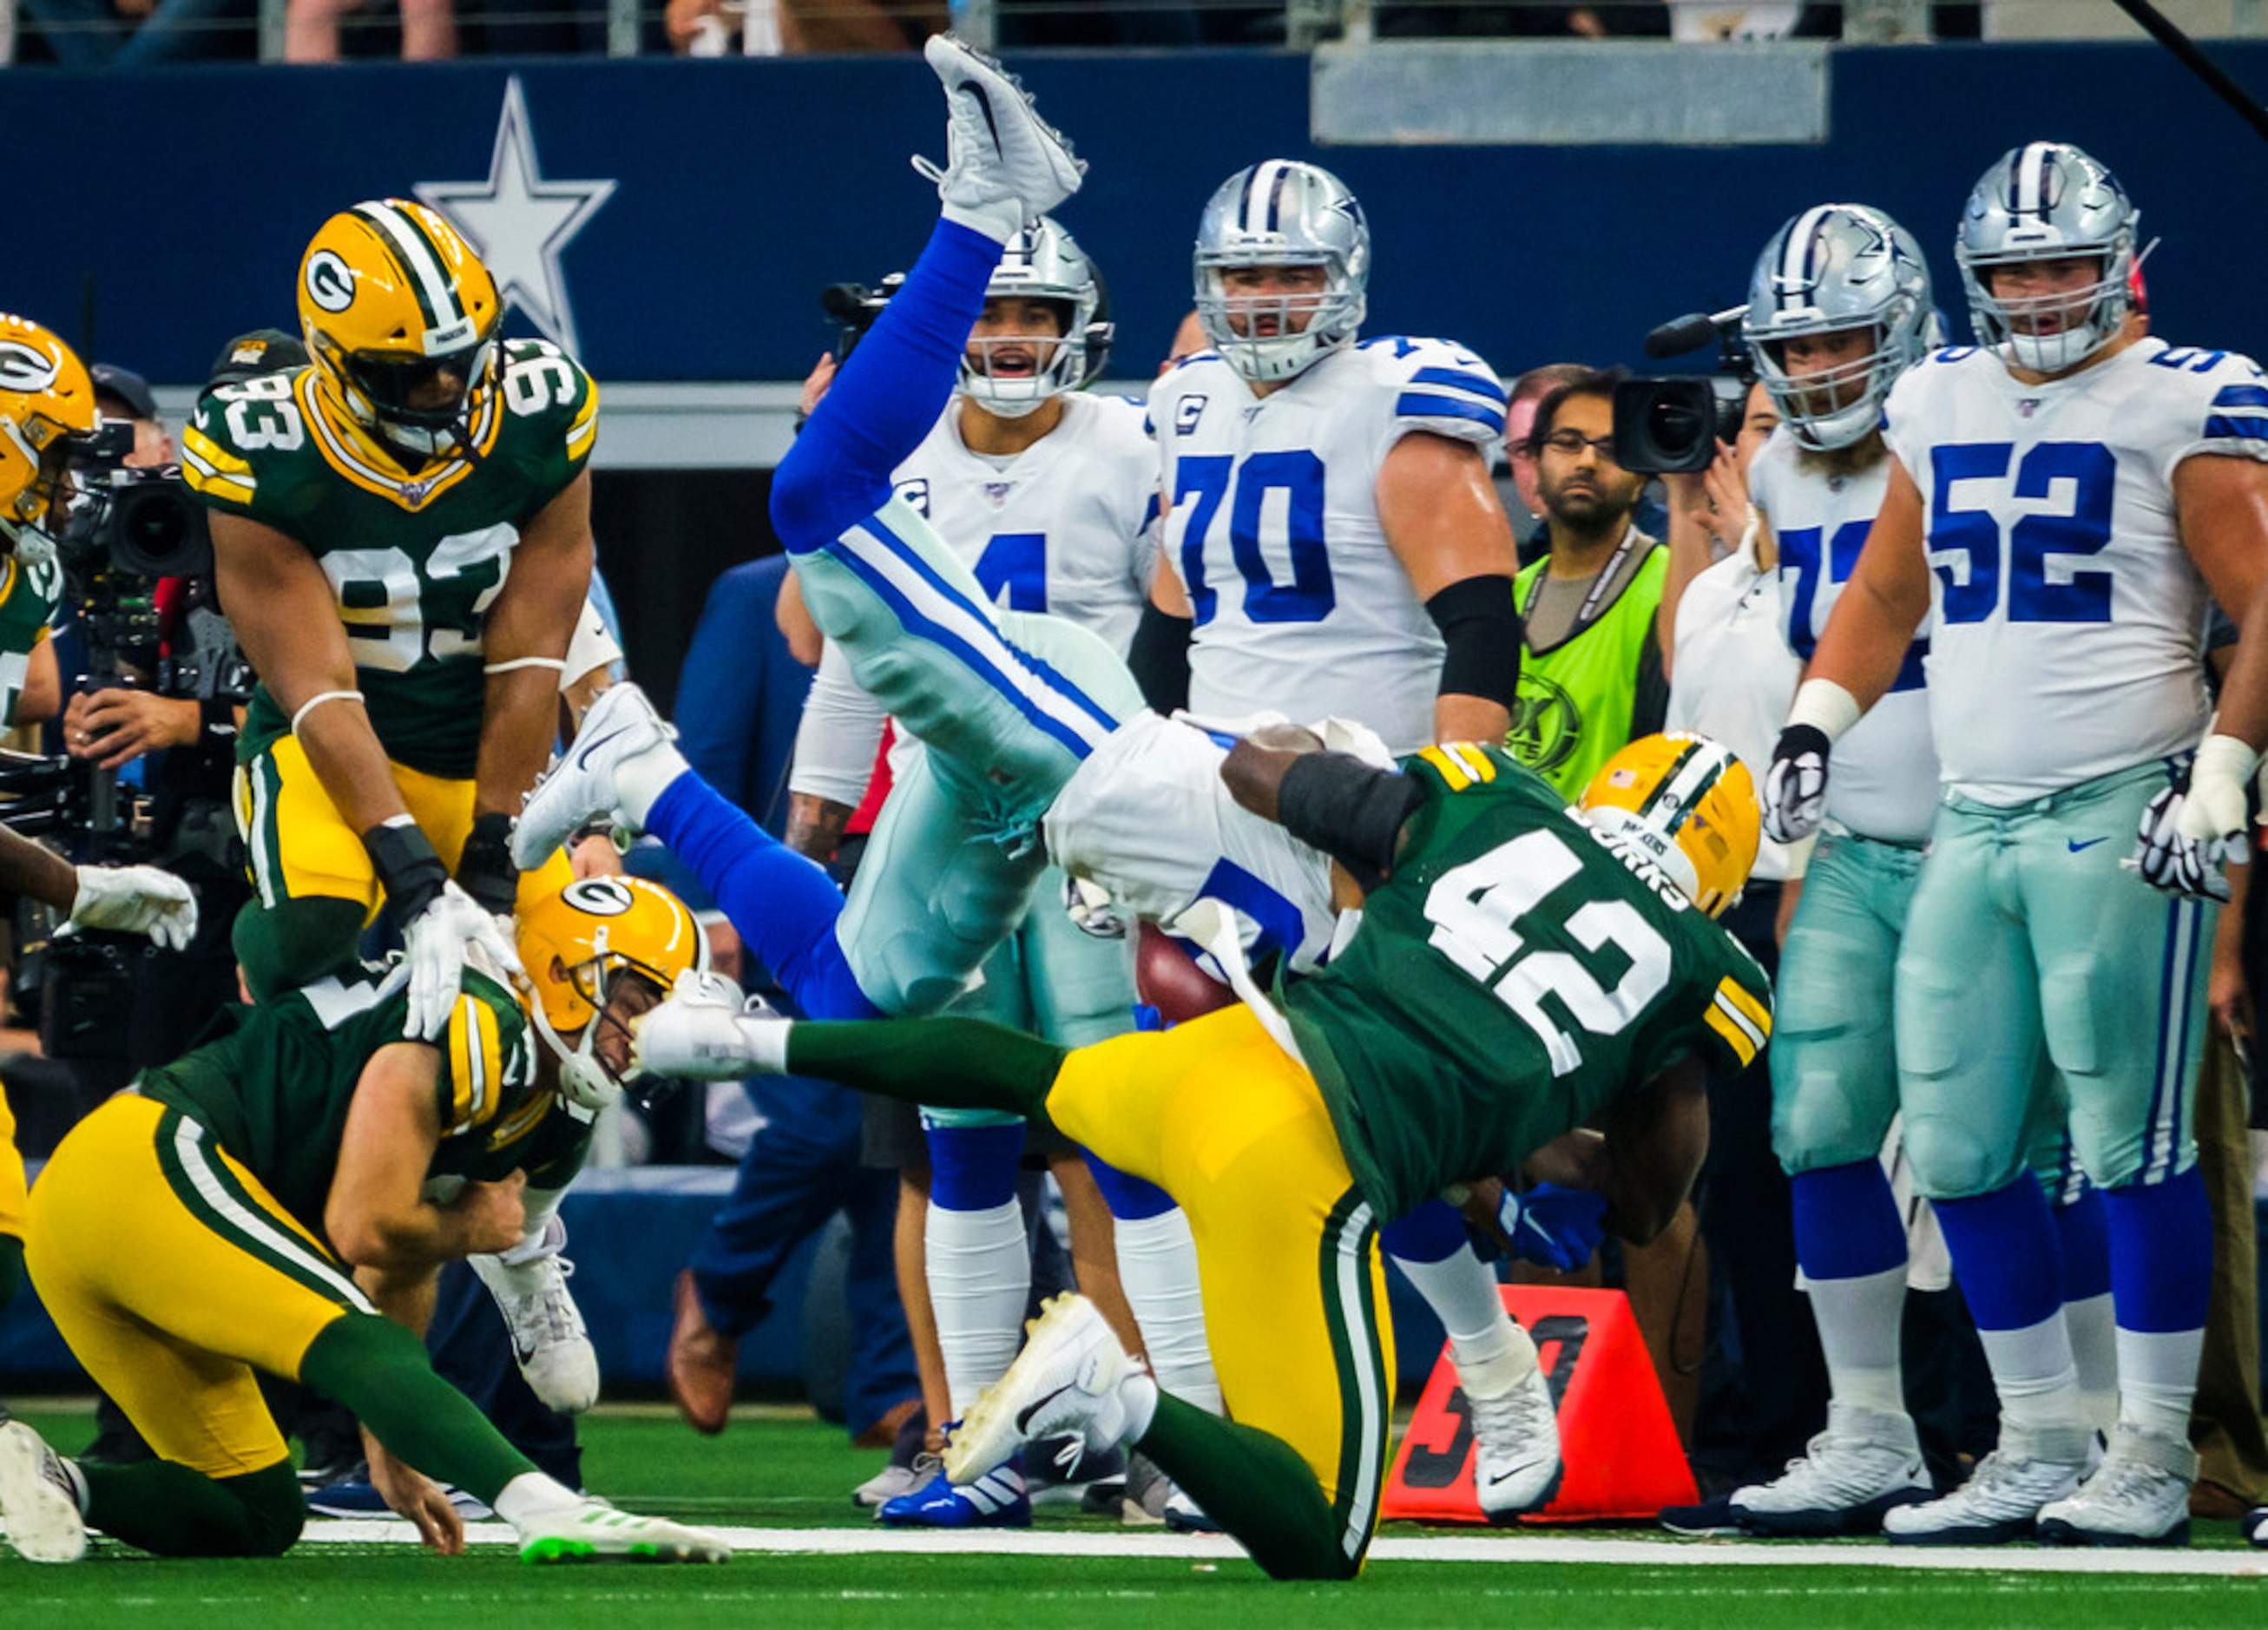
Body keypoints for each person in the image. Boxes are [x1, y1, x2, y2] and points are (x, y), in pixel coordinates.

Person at [635, 728, 1770, 1581]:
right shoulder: (1705, 972)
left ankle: (753, 1035)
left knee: (1023, 1076)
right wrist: (1540, 1138)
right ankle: (1116, 1395)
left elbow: (1265, 777)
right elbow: (1642, 1200)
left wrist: (1330, 794)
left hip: (1232, 1053)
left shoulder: (1494, 796)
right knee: (1319, 1529)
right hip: (1308, 1164)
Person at [1764, 141, 2268, 1546]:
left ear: (2119, 262)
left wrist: (2221, 770)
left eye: (2058, 262)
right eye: (2010, 269)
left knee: (2130, 1139)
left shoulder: (2184, 397)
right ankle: (2037, 1436)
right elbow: (1885, 586)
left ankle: (2154, 1447)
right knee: (1958, 1139)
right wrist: (1814, 714)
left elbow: (2262, 596)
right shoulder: (1934, 396)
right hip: (1970, 813)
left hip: (2122, 798)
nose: (2037, 290)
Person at [782, 214, 1187, 1528]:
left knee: (1117, 1129)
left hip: (1090, 812)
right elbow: (848, 660)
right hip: (940, 821)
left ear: (1081, 331)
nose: (1010, 340)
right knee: (960, 1140)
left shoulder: (1129, 445)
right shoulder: (890, 449)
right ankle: (977, 1438)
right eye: (989, 314)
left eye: (1035, 316)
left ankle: (1158, 1426)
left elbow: (1181, 631)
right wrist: (813, 826)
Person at [0, 876, 729, 1567]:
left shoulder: (549, 1102)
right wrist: (473, 1233)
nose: (637, 1034)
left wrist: (389, 1436)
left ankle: (55, 1477)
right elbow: (364, 1228)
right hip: (143, 1164)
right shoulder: (475, 1019)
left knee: (256, 1513)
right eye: (635, 1002)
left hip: (115, 1208)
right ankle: (543, 1505)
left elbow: (398, 1263)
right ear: (567, 970)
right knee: (353, 1331)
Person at [183, 198, 588, 1026]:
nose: (444, 388)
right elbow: (318, 688)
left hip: (480, 751)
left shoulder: (540, 408)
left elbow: (531, 655)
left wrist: (493, 844)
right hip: (327, 750)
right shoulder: (262, 444)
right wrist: (407, 869)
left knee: (561, 969)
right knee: (312, 925)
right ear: (332, 360)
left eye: (461, 361)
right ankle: (271, 1038)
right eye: (410, 372)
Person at [1141, 158, 1522, 759]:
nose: (1267, 299)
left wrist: (1457, 782)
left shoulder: (1391, 400)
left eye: (1295, 275)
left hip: (1368, 776)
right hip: (1207, 776)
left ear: (1346, 275)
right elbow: (1169, 624)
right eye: (1244, 276)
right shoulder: (1185, 401)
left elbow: (1482, 625)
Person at [1508, 370, 1669, 799]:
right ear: (1535, 461)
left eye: (1611, 449)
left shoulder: (1672, 585)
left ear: (1642, 478)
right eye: (1567, 442)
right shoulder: (1509, 594)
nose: (1586, 461)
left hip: (1607, 854)